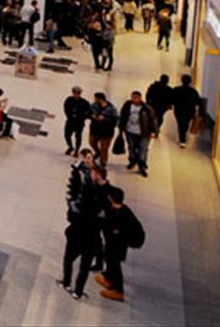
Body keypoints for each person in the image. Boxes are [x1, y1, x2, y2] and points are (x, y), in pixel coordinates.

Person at [60, 163, 106, 300]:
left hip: (76, 236)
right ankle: (78, 292)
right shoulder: (100, 209)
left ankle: (66, 282)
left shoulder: (78, 206)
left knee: (68, 259)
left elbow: (70, 217)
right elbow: (102, 224)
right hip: (91, 241)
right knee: (84, 268)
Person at [95, 186, 144, 302]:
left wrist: (104, 226)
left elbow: (114, 233)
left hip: (118, 245)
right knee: (108, 259)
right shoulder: (120, 209)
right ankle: (108, 278)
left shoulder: (120, 216)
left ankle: (118, 290)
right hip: (115, 243)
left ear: (111, 198)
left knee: (114, 264)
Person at [118, 91, 158, 177]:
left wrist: (154, 132)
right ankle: (132, 161)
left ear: (140, 98)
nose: (134, 99)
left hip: (144, 132)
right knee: (131, 147)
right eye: (133, 97)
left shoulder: (147, 108)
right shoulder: (127, 106)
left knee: (143, 149)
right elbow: (122, 116)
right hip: (130, 131)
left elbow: (153, 120)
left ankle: (142, 165)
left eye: (136, 97)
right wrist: (121, 127)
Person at [88, 93, 118, 165]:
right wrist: (92, 116)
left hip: (106, 131)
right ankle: (98, 152)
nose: (94, 100)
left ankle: (103, 162)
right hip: (95, 129)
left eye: (96, 98)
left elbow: (115, 120)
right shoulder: (93, 106)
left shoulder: (111, 109)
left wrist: (105, 119)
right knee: (92, 142)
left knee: (104, 148)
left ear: (100, 99)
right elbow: (88, 113)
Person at [171, 74, 201, 148]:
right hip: (189, 111)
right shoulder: (193, 91)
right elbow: (198, 102)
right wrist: (201, 112)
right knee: (185, 124)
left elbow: (172, 98)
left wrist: (171, 104)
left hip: (179, 110)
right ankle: (183, 138)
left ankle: (182, 139)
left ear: (182, 80)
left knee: (180, 124)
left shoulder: (177, 89)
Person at [63, 86, 90, 157]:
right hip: (70, 121)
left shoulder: (84, 102)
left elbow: (88, 112)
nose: (76, 94)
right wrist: (70, 116)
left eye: (78, 93)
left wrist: (82, 117)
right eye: (75, 93)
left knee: (78, 136)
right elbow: (66, 109)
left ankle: (77, 150)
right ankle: (70, 146)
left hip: (79, 122)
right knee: (67, 135)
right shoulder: (69, 100)